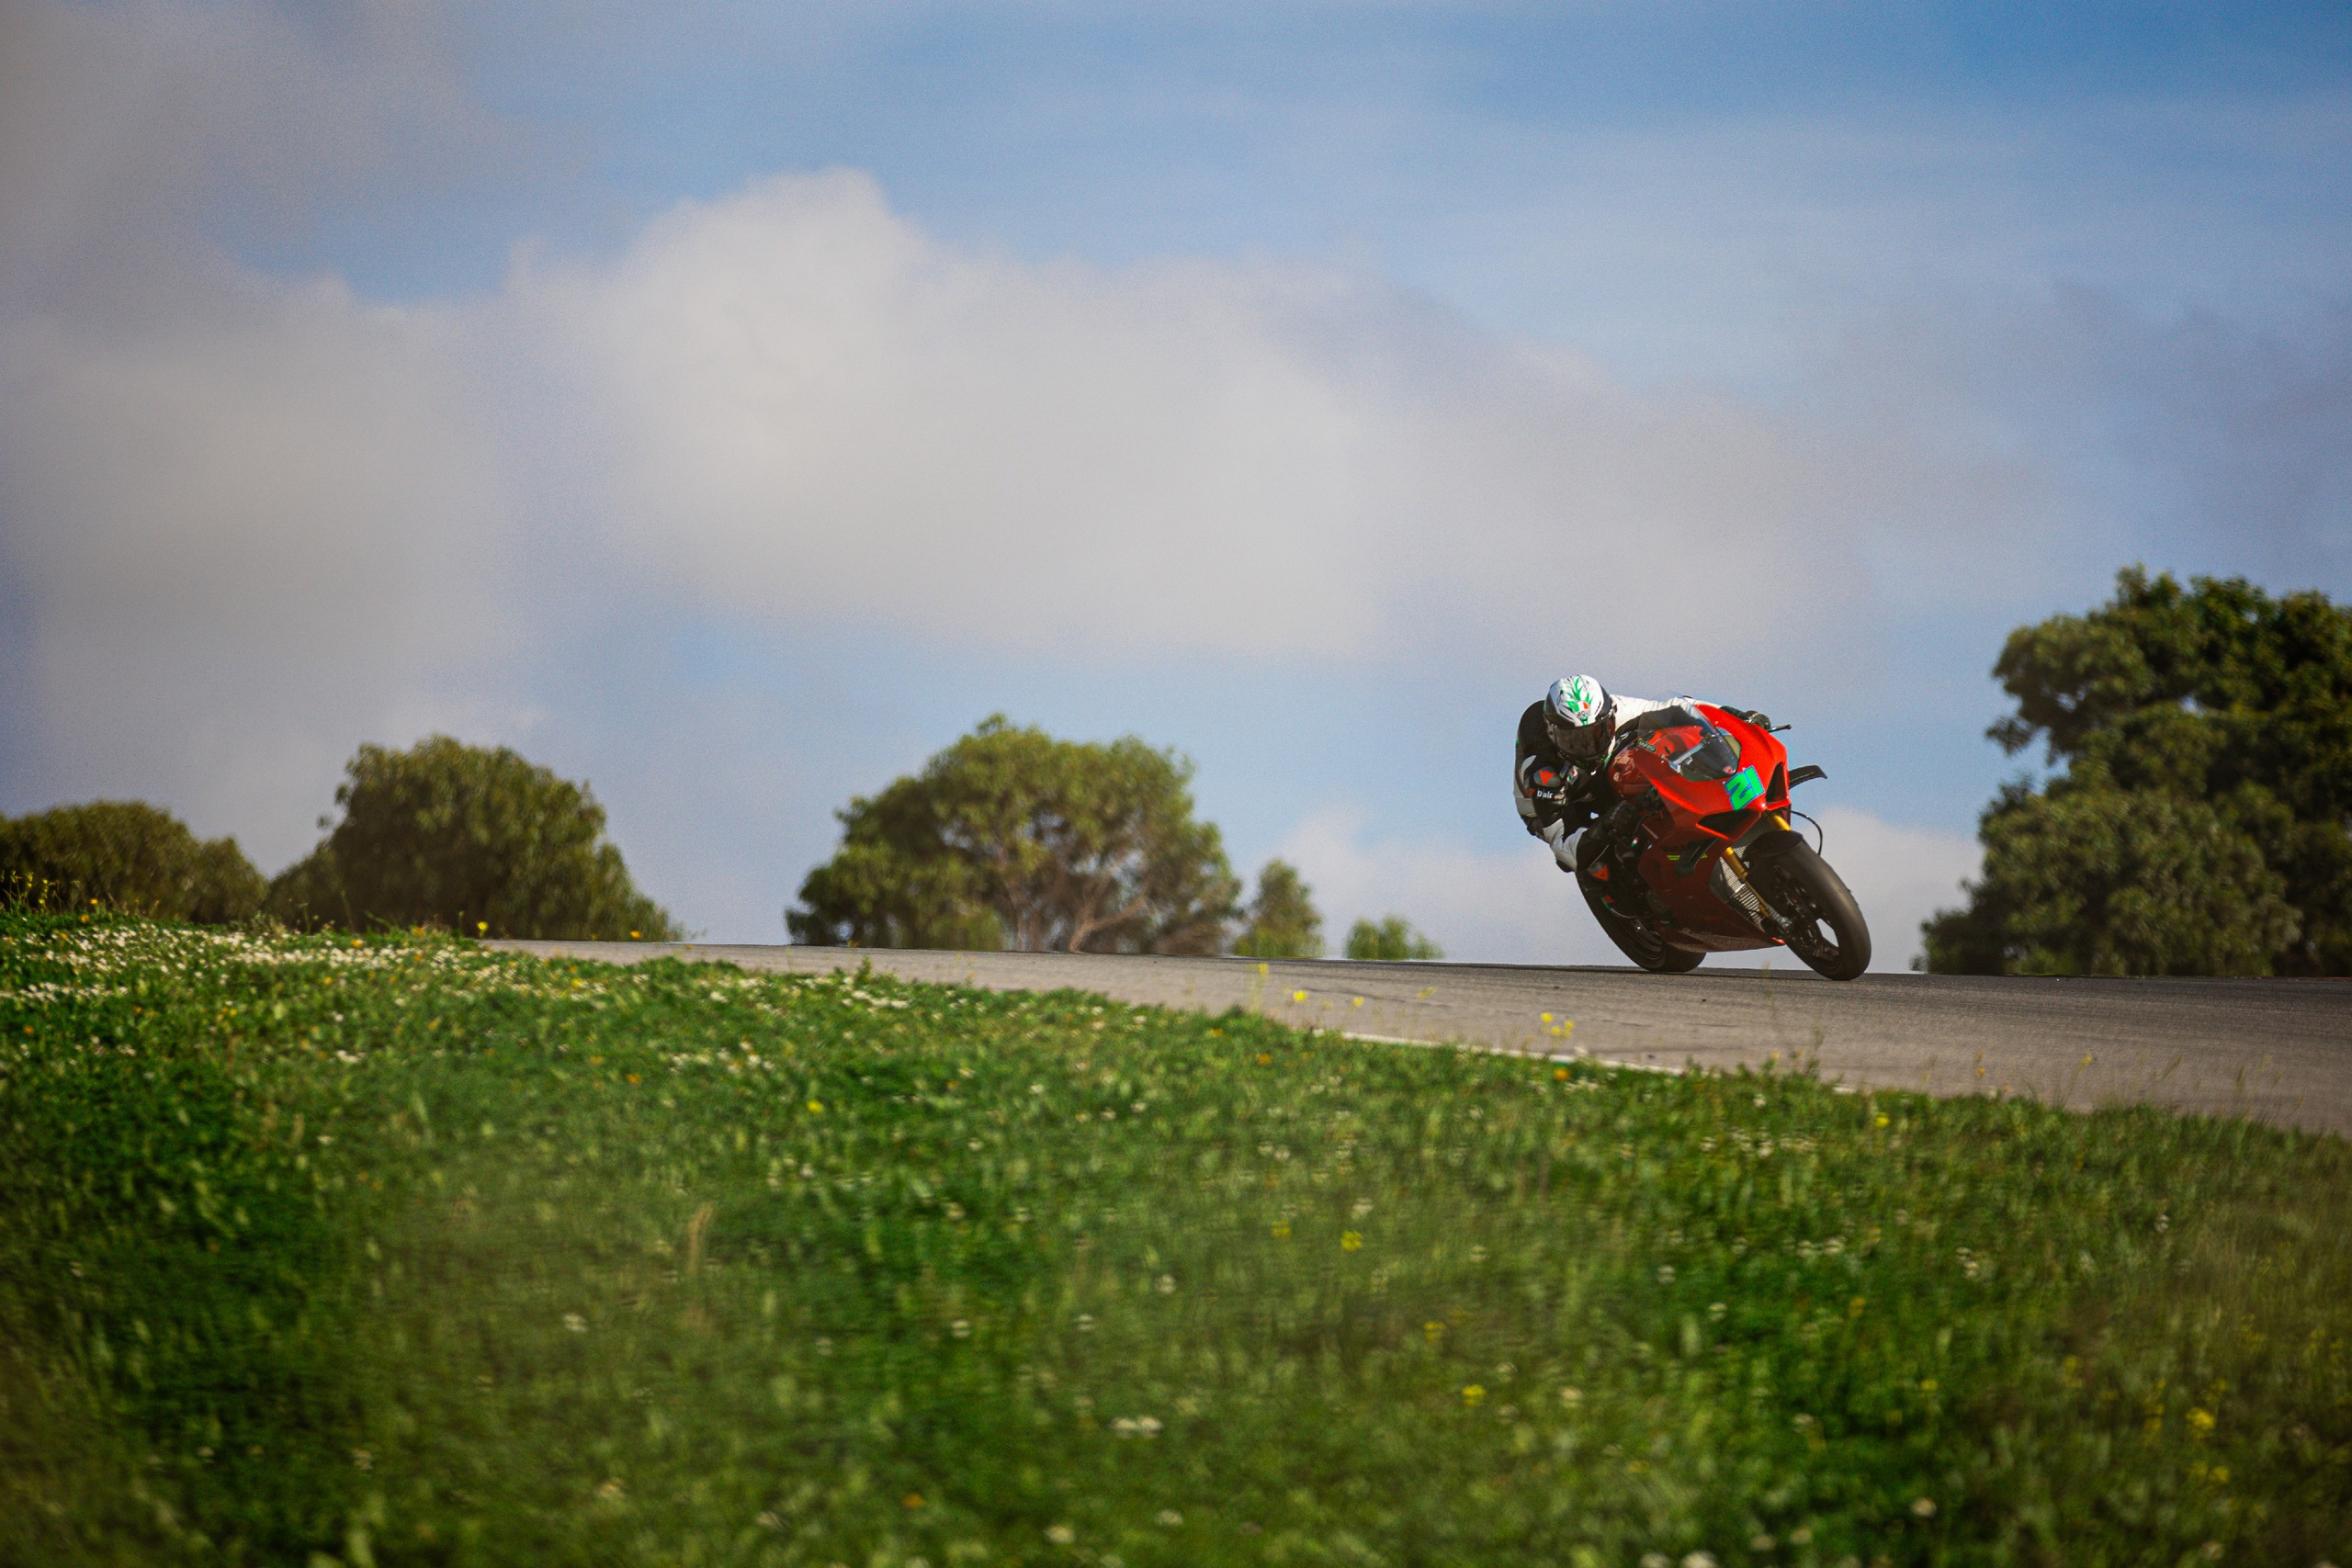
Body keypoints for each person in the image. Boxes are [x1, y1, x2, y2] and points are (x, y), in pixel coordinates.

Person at [1513, 674, 1771, 877]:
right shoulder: (1544, 774)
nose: (1589, 747)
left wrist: (1734, 715)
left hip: (1604, 772)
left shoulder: (1620, 708)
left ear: (1609, 715)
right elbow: (1565, 849)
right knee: (1595, 863)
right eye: (1575, 741)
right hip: (1559, 802)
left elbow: (1679, 707)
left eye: (1597, 733)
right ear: (1553, 734)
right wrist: (1607, 824)